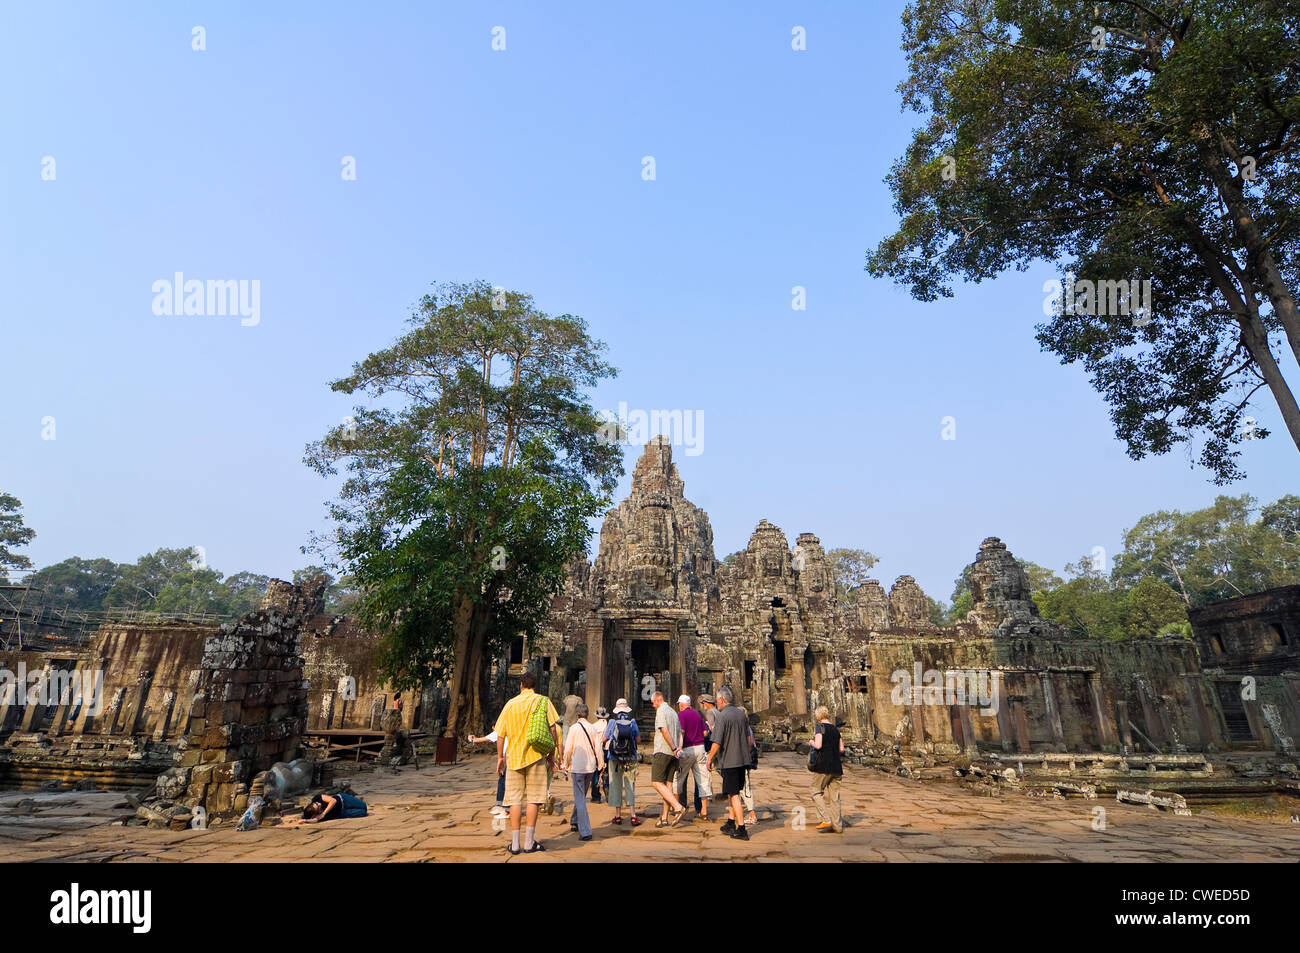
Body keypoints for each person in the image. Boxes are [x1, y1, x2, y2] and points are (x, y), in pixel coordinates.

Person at [494, 671, 561, 854]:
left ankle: (515, 844)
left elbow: (500, 735)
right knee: (534, 799)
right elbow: (553, 729)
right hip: (536, 756)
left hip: (514, 758)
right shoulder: (543, 701)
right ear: (535, 685)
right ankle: (529, 842)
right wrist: (551, 754)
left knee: (514, 801)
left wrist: (501, 757)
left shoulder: (510, 704)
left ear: (521, 685)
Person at [705, 686, 751, 840]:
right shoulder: (741, 714)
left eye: (717, 699)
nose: (716, 702)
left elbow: (717, 742)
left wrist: (710, 757)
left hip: (730, 761)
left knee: (734, 794)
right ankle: (731, 822)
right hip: (742, 760)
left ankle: (742, 828)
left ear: (722, 700)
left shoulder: (723, 716)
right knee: (734, 792)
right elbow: (748, 738)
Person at [561, 702, 605, 841]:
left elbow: (568, 749)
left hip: (578, 767)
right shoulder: (592, 728)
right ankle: (574, 821)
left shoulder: (574, 728)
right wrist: (601, 763)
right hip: (590, 767)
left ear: (577, 714)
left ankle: (585, 831)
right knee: (580, 795)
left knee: (580, 798)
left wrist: (565, 764)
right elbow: (598, 748)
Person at [650, 691, 686, 827]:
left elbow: (664, 730)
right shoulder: (673, 712)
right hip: (674, 753)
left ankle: (678, 807)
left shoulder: (661, 711)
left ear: (658, 700)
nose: (653, 706)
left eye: (653, 703)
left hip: (664, 751)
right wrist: (678, 749)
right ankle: (664, 817)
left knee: (656, 782)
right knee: (668, 785)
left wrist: (672, 747)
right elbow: (680, 734)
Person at [603, 698, 642, 826]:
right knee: (630, 785)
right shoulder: (632, 722)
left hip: (614, 758)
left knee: (615, 785)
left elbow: (605, 738)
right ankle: (633, 815)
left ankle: (618, 816)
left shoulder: (612, 722)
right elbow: (638, 740)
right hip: (630, 758)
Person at [808, 705, 845, 833]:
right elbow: (841, 749)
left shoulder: (820, 728)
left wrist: (811, 743)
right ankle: (837, 826)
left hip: (823, 766)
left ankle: (826, 819)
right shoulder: (835, 729)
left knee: (815, 791)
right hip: (837, 767)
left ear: (818, 717)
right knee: (835, 798)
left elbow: (818, 745)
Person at [675, 694, 711, 820]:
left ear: (681, 704)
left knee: (678, 778)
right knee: (702, 779)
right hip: (700, 748)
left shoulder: (681, 715)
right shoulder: (697, 714)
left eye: (679, 704)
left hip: (687, 749)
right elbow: (705, 732)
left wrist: (678, 748)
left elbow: (682, 732)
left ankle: (678, 808)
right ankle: (704, 810)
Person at [467, 729, 507, 815]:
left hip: (508, 757)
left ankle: (504, 808)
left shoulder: (502, 727)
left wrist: (501, 758)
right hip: (512, 756)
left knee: (504, 781)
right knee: (504, 781)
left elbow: (486, 738)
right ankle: (501, 805)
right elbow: (487, 738)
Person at [296, 791, 367, 823]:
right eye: (318, 806)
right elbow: (314, 820)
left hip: (343, 799)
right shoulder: (318, 817)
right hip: (342, 813)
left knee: (364, 806)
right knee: (363, 812)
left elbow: (333, 800)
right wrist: (305, 820)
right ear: (317, 812)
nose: (319, 804)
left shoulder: (316, 798)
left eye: (316, 803)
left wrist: (324, 813)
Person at [590, 706, 610, 803]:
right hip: (607, 751)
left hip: (597, 751)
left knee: (596, 773)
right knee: (606, 772)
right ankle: (607, 789)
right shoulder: (608, 725)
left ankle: (596, 796)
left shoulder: (593, 726)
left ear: (597, 716)